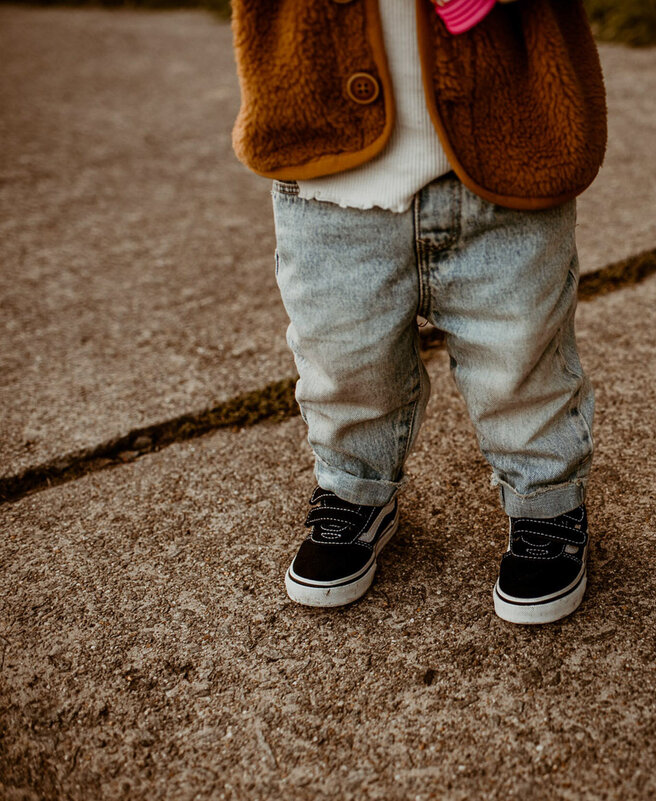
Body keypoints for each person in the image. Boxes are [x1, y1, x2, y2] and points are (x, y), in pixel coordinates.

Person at [228, 0, 607, 624]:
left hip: (506, 156)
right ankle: (355, 489)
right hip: (330, 181)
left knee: (521, 361)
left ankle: (546, 503)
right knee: (343, 359)